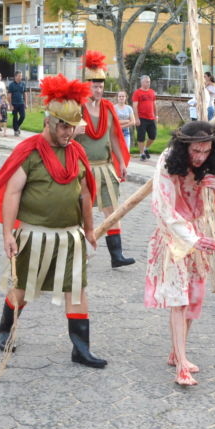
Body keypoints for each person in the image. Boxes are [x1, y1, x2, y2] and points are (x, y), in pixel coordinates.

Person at [0, 75, 106, 368]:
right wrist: (8, 234)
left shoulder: (77, 152)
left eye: (73, 126)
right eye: (64, 126)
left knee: (77, 288)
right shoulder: (29, 152)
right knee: (23, 289)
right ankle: (6, 329)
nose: (69, 132)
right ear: (49, 121)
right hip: (34, 236)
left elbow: (85, 194)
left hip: (70, 237)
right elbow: (12, 193)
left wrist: (90, 229)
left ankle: (80, 348)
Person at [144, 121, 215, 387]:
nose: (200, 156)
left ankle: (176, 352)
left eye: (206, 151)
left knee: (193, 298)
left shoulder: (207, 163)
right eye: (196, 150)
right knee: (178, 299)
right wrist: (192, 239)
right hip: (175, 237)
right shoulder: (168, 161)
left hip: (199, 233)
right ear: (185, 147)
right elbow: (163, 209)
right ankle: (181, 365)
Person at [76, 52, 134, 268]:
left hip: (106, 168)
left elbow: (114, 138)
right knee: (83, 212)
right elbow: (65, 136)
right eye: (94, 86)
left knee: (112, 210)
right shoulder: (77, 108)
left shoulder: (109, 109)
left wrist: (122, 163)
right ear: (87, 86)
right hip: (84, 170)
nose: (98, 90)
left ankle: (116, 255)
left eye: (100, 86)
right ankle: (79, 252)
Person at [131, 75, 157, 159]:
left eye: (149, 81)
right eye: (146, 81)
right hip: (141, 118)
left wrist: (156, 115)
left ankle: (146, 148)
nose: (148, 83)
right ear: (141, 82)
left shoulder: (152, 92)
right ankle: (142, 153)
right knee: (141, 137)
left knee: (153, 136)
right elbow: (134, 106)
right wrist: (136, 118)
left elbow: (154, 104)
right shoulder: (137, 92)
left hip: (151, 118)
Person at [7, 71, 27, 136]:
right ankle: (16, 130)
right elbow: (9, 95)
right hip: (14, 103)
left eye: (21, 76)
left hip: (21, 103)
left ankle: (16, 127)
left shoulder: (23, 84)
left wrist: (25, 103)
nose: (20, 77)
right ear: (15, 76)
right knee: (15, 117)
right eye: (19, 76)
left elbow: (25, 94)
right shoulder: (11, 85)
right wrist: (10, 105)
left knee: (23, 116)